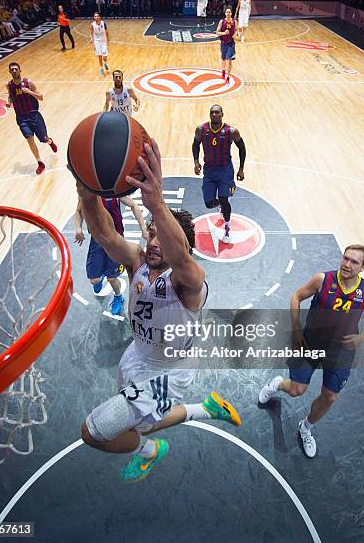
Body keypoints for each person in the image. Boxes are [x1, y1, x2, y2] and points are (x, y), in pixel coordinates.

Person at [77, 140, 241, 483]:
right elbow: (106, 235)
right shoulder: (137, 261)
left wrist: (157, 201)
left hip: (169, 372)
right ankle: (205, 408)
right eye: (151, 232)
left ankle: (150, 452)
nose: (153, 242)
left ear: (182, 246)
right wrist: (88, 193)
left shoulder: (190, 281)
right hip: (137, 356)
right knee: (147, 422)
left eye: (161, 237)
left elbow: (180, 257)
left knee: (93, 432)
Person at [259, 245, 364, 458]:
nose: (347, 264)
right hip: (311, 343)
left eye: (354, 262)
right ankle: (278, 384)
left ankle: (306, 427)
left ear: (363, 267)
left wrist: (361, 337)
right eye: (345, 258)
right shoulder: (323, 280)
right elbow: (296, 297)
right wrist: (296, 329)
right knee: (296, 390)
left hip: (341, 351)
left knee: (330, 397)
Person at [75, 195, 147, 315]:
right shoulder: (88, 191)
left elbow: (133, 205)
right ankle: (101, 275)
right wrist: (78, 228)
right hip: (97, 240)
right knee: (94, 280)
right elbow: (78, 211)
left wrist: (143, 228)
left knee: (112, 278)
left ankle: (118, 297)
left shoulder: (114, 191)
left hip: (116, 241)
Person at [193, 105, 246, 243]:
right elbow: (195, 144)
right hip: (209, 170)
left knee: (223, 199)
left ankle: (227, 227)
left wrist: (241, 168)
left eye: (217, 112)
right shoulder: (201, 129)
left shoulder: (231, 131)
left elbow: (242, 147)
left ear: (222, 114)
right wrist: (196, 162)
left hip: (225, 170)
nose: (214, 114)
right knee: (209, 203)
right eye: (212, 112)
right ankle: (221, 204)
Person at [6, 62, 57, 175]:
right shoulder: (9, 85)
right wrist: (9, 102)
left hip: (34, 115)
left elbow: (41, 97)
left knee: (43, 139)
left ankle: (49, 141)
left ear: (20, 70)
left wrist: (29, 92)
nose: (14, 71)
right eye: (12, 69)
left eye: (16, 69)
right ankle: (40, 163)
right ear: (10, 72)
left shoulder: (28, 83)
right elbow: (10, 95)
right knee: (29, 139)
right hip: (21, 118)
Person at [216, 6, 238, 84]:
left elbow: (236, 30)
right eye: (227, 12)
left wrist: (235, 35)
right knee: (223, 58)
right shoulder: (222, 21)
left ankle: (228, 77)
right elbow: (217, 32)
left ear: (231, 13)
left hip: (231, 43)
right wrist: (224, 33)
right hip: (223, 43)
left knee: (229, 60)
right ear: (225, 13)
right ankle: (223, 70)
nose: (228, 13)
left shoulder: (234, 22)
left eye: (229, 12)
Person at [90, 12, 109, 76]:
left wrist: (107, 41)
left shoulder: (103, 23)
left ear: (99, 17)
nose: (96, 17)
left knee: (105, 56)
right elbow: (91, 33)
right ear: (94, 17)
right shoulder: (92, 24)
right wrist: (91, 39)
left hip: (103, 41)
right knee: (100, 56)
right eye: (95, 16)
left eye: (97, 16)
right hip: (97, 41)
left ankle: (105, 63)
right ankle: (101, 68)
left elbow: (107, 33)